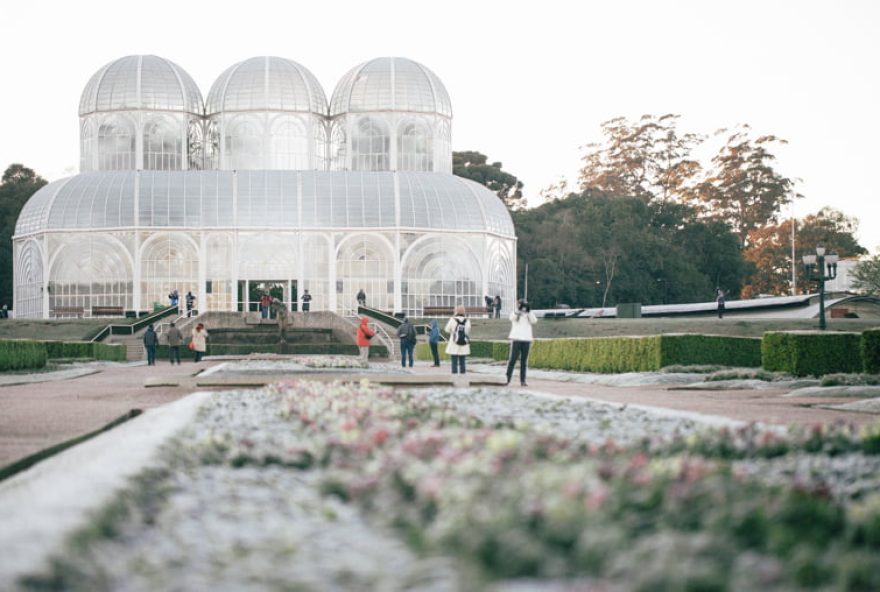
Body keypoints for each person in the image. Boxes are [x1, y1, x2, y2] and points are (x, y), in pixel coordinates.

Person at [506, 299, 537, 387]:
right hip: (516, 338)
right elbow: (512, 318)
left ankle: (523, 380)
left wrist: (529, 312)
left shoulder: (528, 314)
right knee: (512, 360)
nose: (523, 307)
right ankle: (508, 378)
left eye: (524, 305)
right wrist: (518, 311)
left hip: (526, 339)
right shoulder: (515, 313)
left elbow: (534, 321)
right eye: (521, 305)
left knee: (524, 361)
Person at [444, 305, 471, 374]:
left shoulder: (453, 319)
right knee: (462, 362)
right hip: (463, 343)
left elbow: (446, 329)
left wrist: (453, 332)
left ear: (456, 311)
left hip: (454, 342)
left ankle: (454, 377)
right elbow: (468, 330)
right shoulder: (467, 320)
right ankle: (463, 377)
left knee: (454, 362)